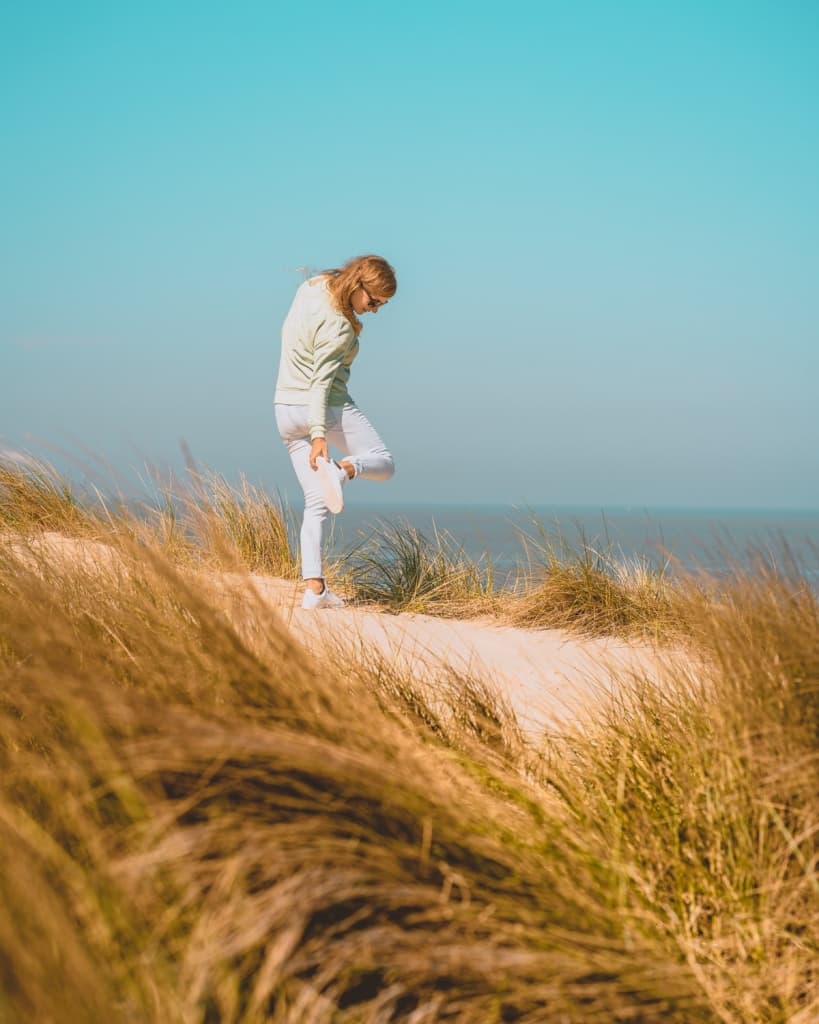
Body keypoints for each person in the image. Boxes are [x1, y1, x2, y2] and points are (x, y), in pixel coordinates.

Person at [274, 254, 397, 609]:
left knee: (316, 500)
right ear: (358, 285)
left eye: (381, 305)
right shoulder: (340, 328)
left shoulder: (311, 287)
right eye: (373, 302)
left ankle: (315, 590)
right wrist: (318, 436)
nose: (374, 311)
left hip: (283, 409)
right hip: (325, 408)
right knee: (383, 463)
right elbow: (320, 383)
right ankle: (343, 470)